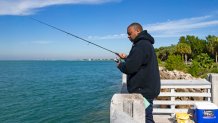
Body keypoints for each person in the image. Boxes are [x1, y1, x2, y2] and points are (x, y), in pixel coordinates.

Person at [116, 22, 160, 123]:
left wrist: (119, 65)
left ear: (138, 31)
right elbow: (139, 61)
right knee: (146, 116)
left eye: (129, 33)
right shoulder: (144, 44)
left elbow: (130, 68)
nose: (128, 36)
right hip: (147, 89)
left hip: (143, 92)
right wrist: (127, 57)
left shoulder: (141, 45)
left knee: (145, 117)